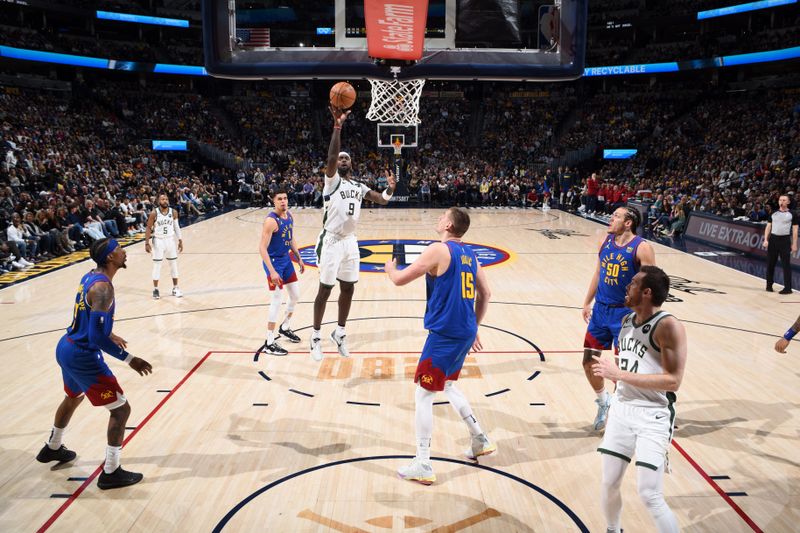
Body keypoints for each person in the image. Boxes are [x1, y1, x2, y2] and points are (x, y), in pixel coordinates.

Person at [385, 207, 494, 485]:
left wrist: (389, 268)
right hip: (464, 329)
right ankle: (479, 438)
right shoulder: (471, 254)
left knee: (423, 393)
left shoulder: (438, 250)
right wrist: (474, 326)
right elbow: (487, 294)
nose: (437, 219)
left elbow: (399, 280)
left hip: (445, 333)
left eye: (441, 216)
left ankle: (423, 462)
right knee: (446, 385)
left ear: (448, 224)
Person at [36, 238, 153, 490]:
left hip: (66, 346)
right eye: (119, 249)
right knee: (121, 410)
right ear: (110, 257)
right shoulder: (103, 289)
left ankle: (52, 447)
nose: (124, 252)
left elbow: (86, 316)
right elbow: (96, 337)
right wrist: (131, 359)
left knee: (73, 397)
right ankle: (111, 472)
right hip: (82, 355)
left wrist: (110, 334)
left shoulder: (90, 276)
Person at [591, 266, 686, 533]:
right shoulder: (625, 322)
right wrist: (617, 380)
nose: (626, 286)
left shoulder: (668, 325)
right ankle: (613, 529)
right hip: (622, 410)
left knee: (649, 494)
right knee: (609, 482)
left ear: (646, 292)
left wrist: (619, 373)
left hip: (653, 414)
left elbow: (673, 380)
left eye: (632, 283)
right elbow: (634, 367)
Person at [308, 105, 396, 361]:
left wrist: (390, 189)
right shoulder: (331, 181)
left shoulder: (358, 186)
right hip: (331, 241)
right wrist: (338, 126)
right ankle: (315, 336)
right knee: (325, 289)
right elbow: (332, 158)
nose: (343, 160)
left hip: (350, 242)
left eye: (347, 158)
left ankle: (340, 333)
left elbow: (380, 200)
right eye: (341, 158)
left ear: (352, 163)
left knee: (348, 289)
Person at [582, 206, 656, 431]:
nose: (611, 218)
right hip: (601, 312)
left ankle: (623, 414)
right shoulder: (604, 241)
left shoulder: (642, 248)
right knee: (588, 361)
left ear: (628, 222)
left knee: (621, 369)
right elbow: (598, 272)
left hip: (625, 315)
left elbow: (652, 286)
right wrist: (587, 301)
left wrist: (645, 316)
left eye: (616, 216)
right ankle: (604, 402)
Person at [259, 188, 305, 355]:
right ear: (274, 201)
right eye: (280, 199)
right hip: (273, 263)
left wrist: (298, 257)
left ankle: (285, 327)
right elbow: (262, 248)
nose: (283, 201)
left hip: (286, 260)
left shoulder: (289, 216)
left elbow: (290, 237)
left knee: (295, 295)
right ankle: (269, 342)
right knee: (277, 300)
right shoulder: (271, 221)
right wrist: (272, 271)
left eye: (285, 198)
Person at [145, 193, 183, 299]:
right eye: (162, 199)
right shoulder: (154, 213)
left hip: (170, 240)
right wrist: (147, 243)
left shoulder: (173, 212)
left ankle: (175, 288)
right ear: (158, 201)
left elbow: (176, 227)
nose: (165, 201)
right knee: (157, 266)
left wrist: (180, 240)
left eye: (166, 199)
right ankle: (156, 290)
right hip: (158, 241)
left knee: (173, 265)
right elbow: (148, 228)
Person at [762, 194, 797, 294]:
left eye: (784, 200)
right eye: (780, 200)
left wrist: (794, 244)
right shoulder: (773, 213)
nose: (782, 202)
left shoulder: (793, 214)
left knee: (786, 265)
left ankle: (788, 288)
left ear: (788, 202)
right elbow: (768, 227)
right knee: (770, 263)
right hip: (773, 239)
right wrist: (766, 240)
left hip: (785, 240)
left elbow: (795, 230)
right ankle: (769, 285)